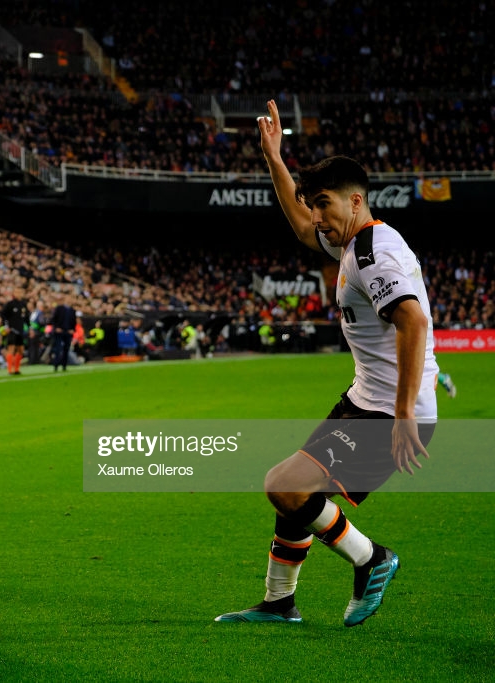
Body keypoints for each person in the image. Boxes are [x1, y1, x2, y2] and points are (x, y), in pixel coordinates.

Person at [215, 100, 439, 627]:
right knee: (295, 492)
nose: (316, 217)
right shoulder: (352, 241)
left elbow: (413, 323)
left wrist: (405, 414)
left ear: (355, 200)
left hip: (390, 412)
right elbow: (298, 227)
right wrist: (274, 158)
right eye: (312, 205)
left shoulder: (371, 253)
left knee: (284, 484)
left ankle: (371, 558)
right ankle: (279, 602)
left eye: (323, 205)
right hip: (366, 400)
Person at [1, 288, 29, 375]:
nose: (18, 293)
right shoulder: (10, 304)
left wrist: (29, 327)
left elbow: (26, 318)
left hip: (20, 330)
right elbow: (3, 315)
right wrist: (6, 326)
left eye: (20, 292)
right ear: (13, 293)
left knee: (20, 350)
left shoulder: (23, 305)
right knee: (11, 348)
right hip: (12, 329)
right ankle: (10, 369)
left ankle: (16, 369)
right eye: (17, 292)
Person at [49, 295, 76, 372]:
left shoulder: (72, 310)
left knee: (66, 349)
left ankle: (64, 365)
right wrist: (56, 328)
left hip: (68, 332)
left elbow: (73, 322)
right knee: (58, 349)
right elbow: (53, 319)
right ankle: (56, 365)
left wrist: (72, 329)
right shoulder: (59, 308)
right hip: (59, 332)